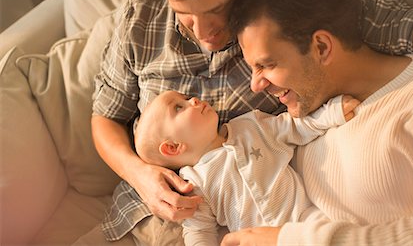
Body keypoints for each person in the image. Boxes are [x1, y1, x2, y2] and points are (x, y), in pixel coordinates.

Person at [89, 0, 413, 244]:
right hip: (139, 211)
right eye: (184, 15)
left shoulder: (281, 13)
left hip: (241, 221)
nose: (204, 33)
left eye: (216, 12)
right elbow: (105, 116)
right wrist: (140, 174)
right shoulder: (139, 17)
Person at [220, 0, 413, 246]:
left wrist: (287, 240)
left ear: (322, 48)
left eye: (266, 65)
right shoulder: (310, 102)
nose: (256, 85)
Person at [128, 90, 359, 245]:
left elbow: (295, 126)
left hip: (304, 218)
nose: (194, 100)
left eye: (187, 98)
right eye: (179, 108)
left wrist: (332, 112)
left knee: (332, 236)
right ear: (172, 147)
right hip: (256, 240)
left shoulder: (251, 125)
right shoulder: (193, 183)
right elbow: (199, 230)